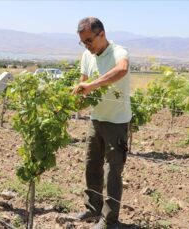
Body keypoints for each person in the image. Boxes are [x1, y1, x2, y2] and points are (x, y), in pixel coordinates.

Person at [73, 17, 132, 229]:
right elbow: (83, 83)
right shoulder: (86, 56)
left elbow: (122, 69)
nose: (87, 46)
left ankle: (109, 221)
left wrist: (93, 85)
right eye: (83, 42)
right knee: (91, 166)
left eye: (89, 40)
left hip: (116, 122)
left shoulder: (119, 52)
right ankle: (92, 209)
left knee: (112, 172)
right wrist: (75, 99)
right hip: (95, 120)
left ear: (102, 34)